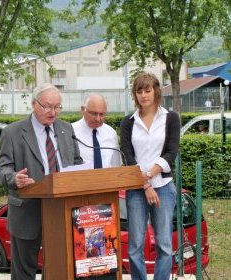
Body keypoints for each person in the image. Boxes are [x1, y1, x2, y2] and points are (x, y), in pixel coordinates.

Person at [0, 83, 83, 280]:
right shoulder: (13, 132)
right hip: (27, 209)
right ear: (34, 104)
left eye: (57, 107)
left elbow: (76, 162)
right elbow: (2, 168)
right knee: (24, 271)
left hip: (62, 210)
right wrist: (14, 178)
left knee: (59, 268)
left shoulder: (66, 129)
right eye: (47, 106)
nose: (53, 112)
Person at [120, 73, 180, 280]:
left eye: (147, 90)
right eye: (139, 91)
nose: (144, 95)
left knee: (164, 243)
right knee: (135, 244)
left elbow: (171, 151)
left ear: (156, 91)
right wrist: (145, 184)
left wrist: (152, 174)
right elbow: (127, 156)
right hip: (137, 189)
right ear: (135, 95)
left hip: (163, 186)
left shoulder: (171, 118)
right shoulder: (128, 122)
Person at [72, 94, 121, 168]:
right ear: (83, 110)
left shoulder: (111, 133)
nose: (98, 119)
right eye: (94, 113)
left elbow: (116, 165)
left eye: (102, 114)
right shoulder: (71, 131)